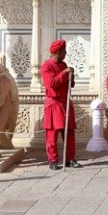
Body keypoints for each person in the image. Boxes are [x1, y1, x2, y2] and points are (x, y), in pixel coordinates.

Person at [40, 39, 79, 169]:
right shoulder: (47, 66)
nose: (65, 53)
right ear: (58, 52)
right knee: (52, 133)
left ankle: (70, 158)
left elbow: (69, 84)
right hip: (54, 103)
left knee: (69, 132)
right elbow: (51, 83)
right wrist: (65, 73)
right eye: (63, 51)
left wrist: (71, 76)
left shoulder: (63, 64)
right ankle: (53, 160)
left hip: (65, 102)